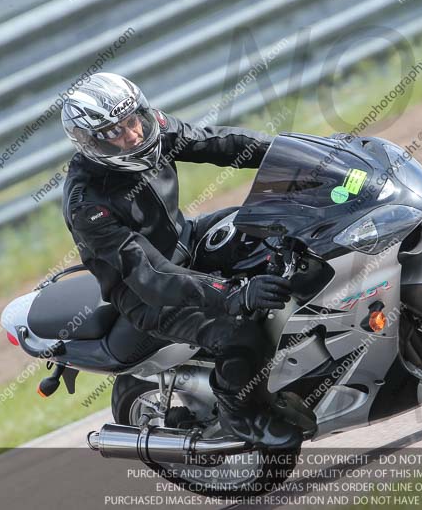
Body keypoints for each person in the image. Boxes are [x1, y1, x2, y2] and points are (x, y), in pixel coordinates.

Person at [60, 72, 301, 449]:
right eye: (116, 132)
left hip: (186, 243)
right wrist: (233, 293)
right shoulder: (88, 203)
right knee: (241, 334)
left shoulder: (150, 129)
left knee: (273, 221)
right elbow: (150, 273)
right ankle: (240, 412)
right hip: (149, 297)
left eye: (132, 121)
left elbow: (220, 143)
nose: (133, 135)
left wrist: (295, 152)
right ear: (90, 142)